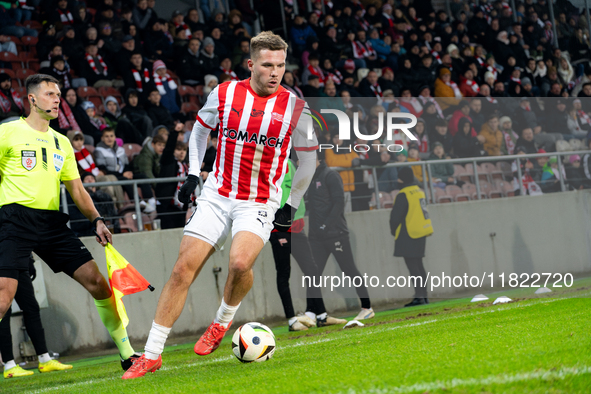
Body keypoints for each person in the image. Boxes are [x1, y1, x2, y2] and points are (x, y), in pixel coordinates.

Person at [122, 31, 318, 379]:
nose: (275, 72)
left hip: (259, 201)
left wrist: (291, 202)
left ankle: (221, 322)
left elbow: (308, 160)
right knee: (183, 269)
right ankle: (151, 354)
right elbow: (199, 131)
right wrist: (194, 175)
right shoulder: (226, 92)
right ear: (251, 64)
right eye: (267, 65)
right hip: (217, 194)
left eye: (280, 65)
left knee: (240, 262)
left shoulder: (294, 106)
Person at [0, 74, 140, 371]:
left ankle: (128, 355)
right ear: (32, 99)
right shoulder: (8, 132)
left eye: (59, 94)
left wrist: (97, 219)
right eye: (50, 94)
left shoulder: (62, 142)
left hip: (51, 223)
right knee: (4, 296)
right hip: (13, 220)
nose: (57, 99)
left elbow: (76, 189)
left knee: (99, 284)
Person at [270, 159, 346, 331]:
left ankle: (321, 316)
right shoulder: (269, 165)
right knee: (284, 273)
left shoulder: (289, 164)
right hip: (279, 229)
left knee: (312, 270)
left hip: (297, 227)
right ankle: (291, 320)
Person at [307, 157, 374, 323]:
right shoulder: (310, 178)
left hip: (335, 234)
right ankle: (312, 313)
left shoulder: (330, 176)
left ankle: (367, 308)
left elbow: (338, 203)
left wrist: (326, 226)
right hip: (317, 237)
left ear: (317, 159)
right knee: (312, 274)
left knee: (349, 269)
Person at [1, 255, 73, 378]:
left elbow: (21, 236)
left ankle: (44, 358)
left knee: (31, 308)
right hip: (2, 264)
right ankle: (9, 365)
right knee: (4, 310)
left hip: (18, 262)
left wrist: (29, 259)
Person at [389, 167, 434, 307]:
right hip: (421, 231)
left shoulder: (403, 194)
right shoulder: (419, 192)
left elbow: (395, 217)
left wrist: (393, 230)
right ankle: (424, 295)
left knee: (412, 266)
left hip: (408, 232)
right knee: (419, 265)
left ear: (401, 179)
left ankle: (419, 297)